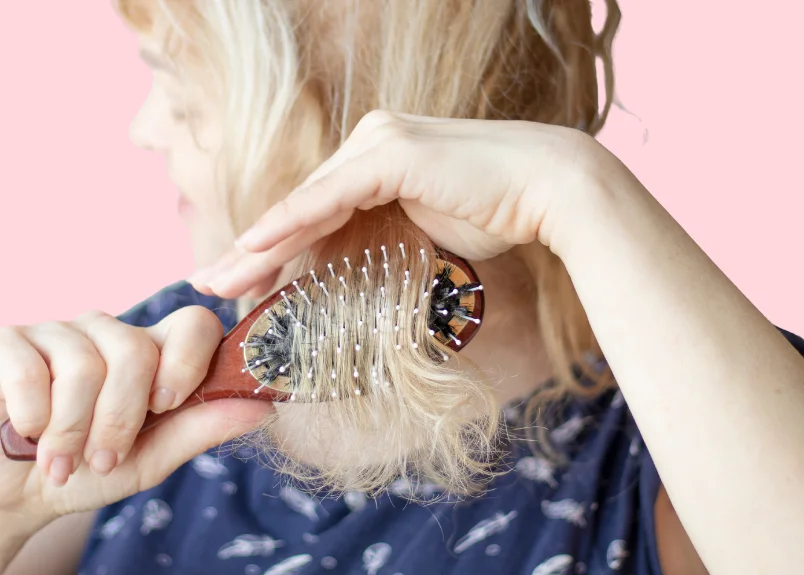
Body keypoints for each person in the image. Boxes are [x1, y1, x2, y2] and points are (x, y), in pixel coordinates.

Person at [2, 1, 803, 574]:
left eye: (178, 89)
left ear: (331, 123)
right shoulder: (158, 360)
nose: (144, 127)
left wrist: (577, 185)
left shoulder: (701, 443)